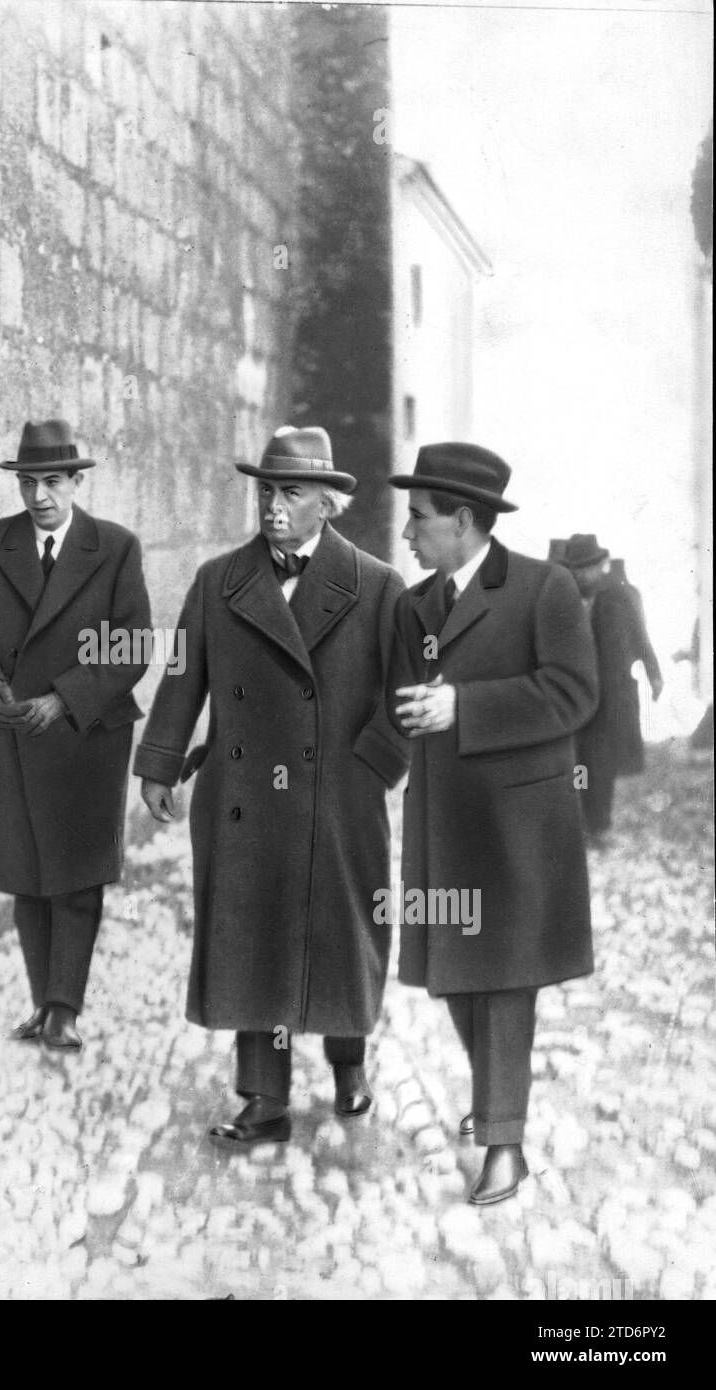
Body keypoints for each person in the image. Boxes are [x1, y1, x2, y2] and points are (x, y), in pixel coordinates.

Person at [136, 426, 410, 1148]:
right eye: (265, 491)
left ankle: (348, 1067)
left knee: (343, 936)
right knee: (252, 940)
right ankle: (263, 1099)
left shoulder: (378, 587)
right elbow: (182, 676)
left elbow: (406, 698)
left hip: (338, 802)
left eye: (290, 493)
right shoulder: (218, 581)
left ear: (329, 505)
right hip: (244, 799)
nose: (272, 507)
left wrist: (370, 770)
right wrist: (160, 762)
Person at [387, 444, 598, 1204]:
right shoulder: (417, 604)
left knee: (504, 981)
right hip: (443, 821)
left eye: (419, 520)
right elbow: (400, 699)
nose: (407, 534)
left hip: (515, 824)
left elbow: (574, 694)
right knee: (450, 980)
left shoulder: (544, 590)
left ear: (464, 521)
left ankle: (502, 1142)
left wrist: (463, 707)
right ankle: (496, 1105)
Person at [0, 419, 151, 1051]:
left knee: (75, 876)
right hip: (12, 731)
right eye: (29, 483)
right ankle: (42, 1003)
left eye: (53, 482)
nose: (40, 497)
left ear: (76, 482)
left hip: (84, 733)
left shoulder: (114, 548)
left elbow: (132, 645)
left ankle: (65, 1007)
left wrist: (63, 698)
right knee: (24, 873)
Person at [560, 535, 663, 840]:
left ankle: (599, 825)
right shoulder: (566, 599)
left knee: (601, 766)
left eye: (586, 568)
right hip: (578, 696)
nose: (580, 575)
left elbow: (640, 636)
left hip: (610, 696)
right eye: (575, 569)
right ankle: (582, 822)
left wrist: (654, 673)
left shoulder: (618, 597)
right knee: (579, 763)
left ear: (600, 566)